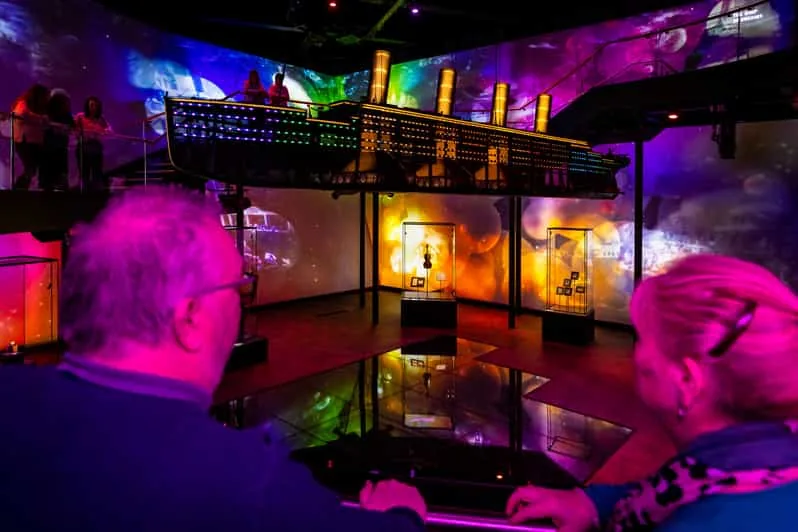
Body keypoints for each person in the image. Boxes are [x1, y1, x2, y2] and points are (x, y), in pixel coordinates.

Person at [0, 187, 427, 531]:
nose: (242, 301)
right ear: (190, 317)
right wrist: (401, 515)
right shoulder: (248, 484)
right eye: (237, 287)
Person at [507, 254, 798, 531]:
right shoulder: (744, 463)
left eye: (643, 338)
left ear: (686, 380)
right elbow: (671, 487)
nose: (637, 356)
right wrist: (592, 505)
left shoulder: (708, 522)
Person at [10, 83, 49, 190]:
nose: (46, 98)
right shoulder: (23, 103)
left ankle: (21, 189)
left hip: (35, 142)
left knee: (32, 169)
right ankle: (18, 189)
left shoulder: (42, 108)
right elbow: (20, 115)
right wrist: (40, 118)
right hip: (23, 141)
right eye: (44, 96)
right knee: (30, 168)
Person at [40, 89, 74, 191]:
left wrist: (64, 129)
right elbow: (43, 125)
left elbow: (71, 128)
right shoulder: (46, 112)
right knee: (47, 177)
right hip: (48, 147)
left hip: (61, 147)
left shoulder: (67, 115)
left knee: (61, 174)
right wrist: (58, 127)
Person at [75, 96, 111, 190]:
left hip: (96, 147)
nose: (94, 107)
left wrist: (105, 131)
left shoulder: (100, 118)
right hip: (83, 147)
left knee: (97, 172)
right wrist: (82, 135)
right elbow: (74, 130)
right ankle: (83, 192)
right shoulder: (80, 116)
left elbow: (109, 130)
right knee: (84, 172)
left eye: (96, 105)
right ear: (87, 105)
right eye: (91, 105)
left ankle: (97, 192)